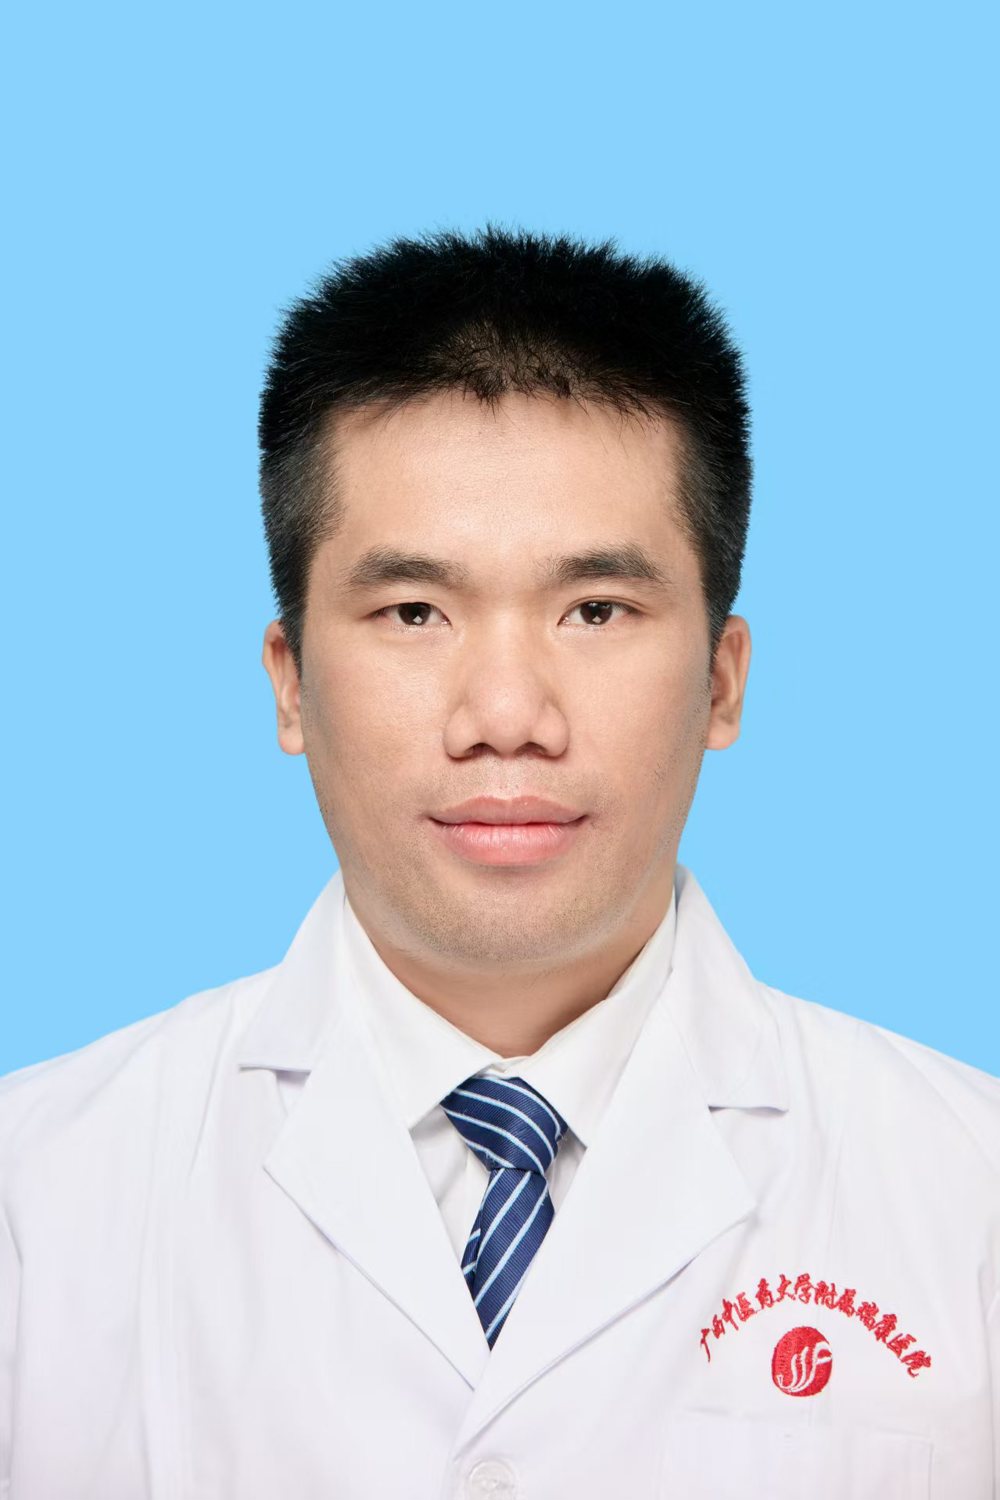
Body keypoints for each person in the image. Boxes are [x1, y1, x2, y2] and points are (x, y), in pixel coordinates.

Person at [1, 226, 997, 1500]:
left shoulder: (968, 1196)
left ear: (721, 681)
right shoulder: (38, 1198)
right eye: (413, 611)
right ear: (290, 683)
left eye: (596, 610)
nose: (508, 714)